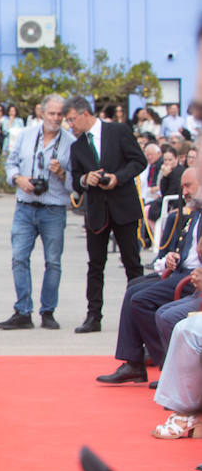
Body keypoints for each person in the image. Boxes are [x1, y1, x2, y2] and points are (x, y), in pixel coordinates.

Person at [95, 167, 201, 384]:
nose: (184, 191)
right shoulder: (194, 212)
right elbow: (187, 251)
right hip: (179, 270)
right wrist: (172, 257)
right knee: (134, 286)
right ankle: (133, 361)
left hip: (192, 278)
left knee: (141, 300)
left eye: (188, 186)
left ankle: (164, 364)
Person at [68, 94, 148, 333]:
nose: (70, 125)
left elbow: (139, 161)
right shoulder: (77, 146)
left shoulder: (118, 131)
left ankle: (139, 316)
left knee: (132, 263)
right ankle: (93, 316)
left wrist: (117, 178)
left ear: (85, 113)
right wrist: (85, 178)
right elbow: (74, 180)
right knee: (95, 265)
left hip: (123, 206)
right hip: (97, 212)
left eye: (72, 120)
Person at [0, 94, 74, 330]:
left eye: (60, 114)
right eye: (51, 113)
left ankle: (48, 311)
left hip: (53, 209)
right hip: (25, 206)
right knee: (19, 258)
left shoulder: (70, 143)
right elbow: (10, 164)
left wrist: (62, 173)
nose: (55, 118)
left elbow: (76, 183)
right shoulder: (25, 135)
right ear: (42, 112)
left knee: (53, 262)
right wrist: (18, 178)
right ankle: (22, 311)